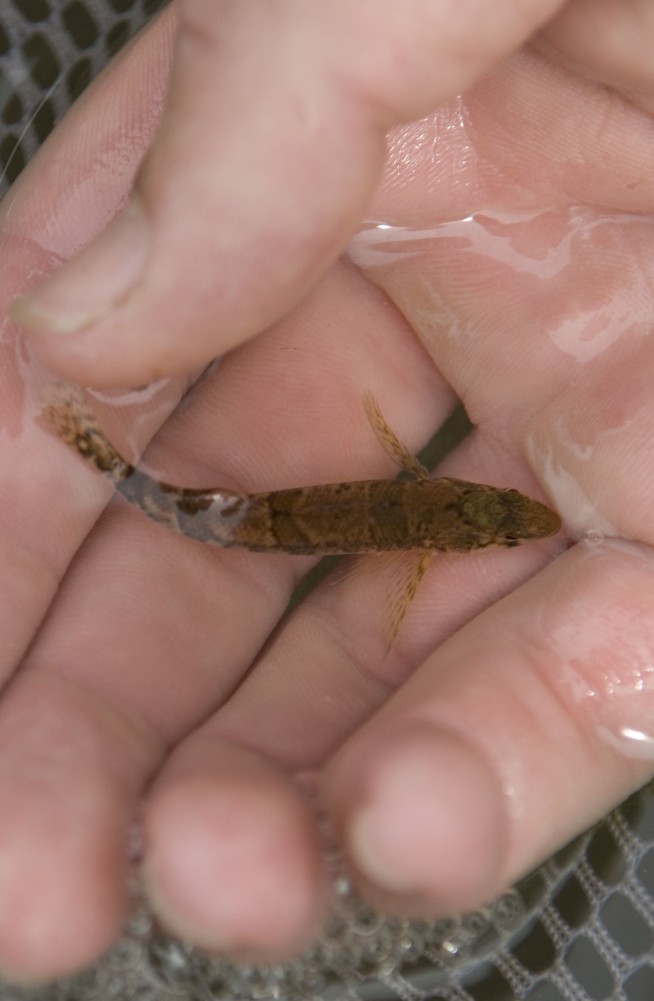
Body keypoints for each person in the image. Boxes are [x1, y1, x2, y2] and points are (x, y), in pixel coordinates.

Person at [1, 0, 654, 984]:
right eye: (502, 520)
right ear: (461, 530)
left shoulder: (430, 510)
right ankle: (104, 457)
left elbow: (395, 467)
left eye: (506, 523)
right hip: (271, 517)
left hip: (276, 515)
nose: (506, 521)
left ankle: (109, 460)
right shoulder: (437, 534)